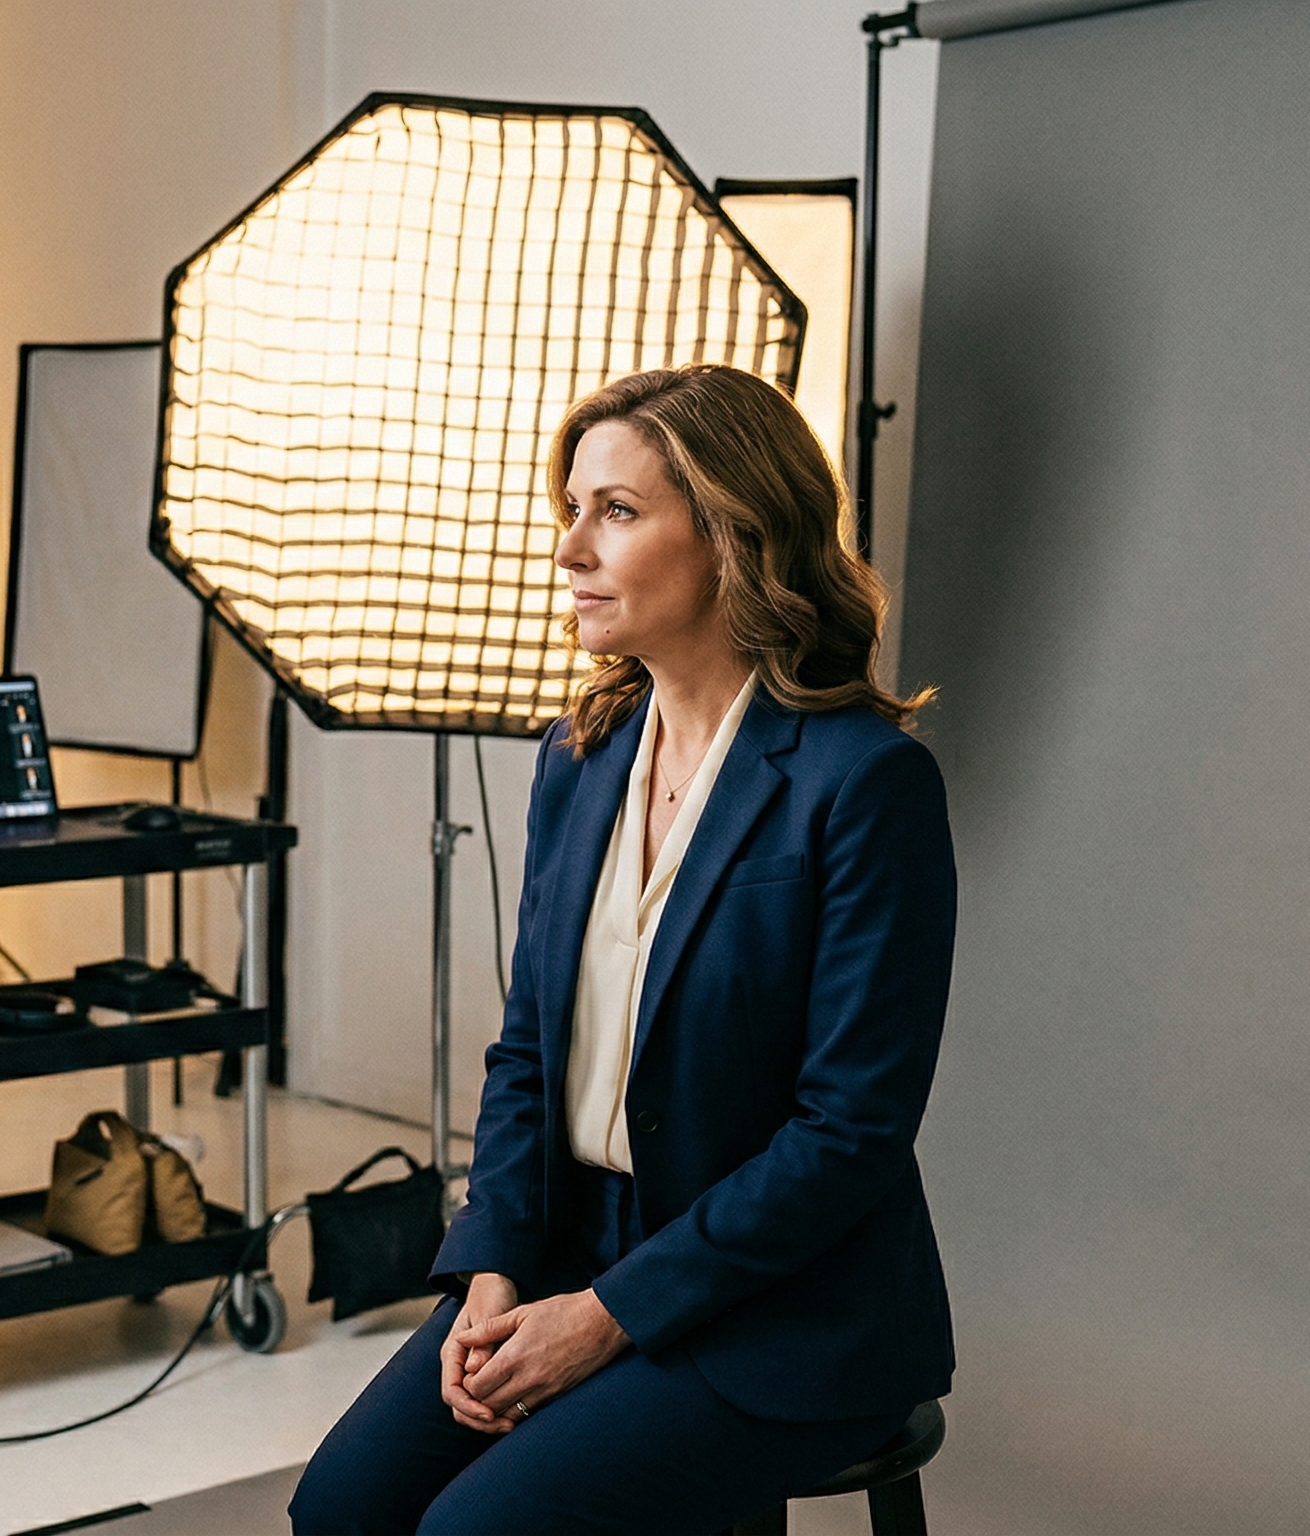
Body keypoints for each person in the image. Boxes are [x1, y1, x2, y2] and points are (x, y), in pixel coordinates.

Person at [290, 365, 957, 1535]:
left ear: (734, 535)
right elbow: (528, 1053)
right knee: (341, 1512)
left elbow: (847, 1135)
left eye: (616, 511)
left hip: (779, 1306)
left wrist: (608, 1314)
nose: (569, 551)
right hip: (564, 1251)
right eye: (570, 510)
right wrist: (491, 1266)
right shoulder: (582, 754)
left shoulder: (863, 785)